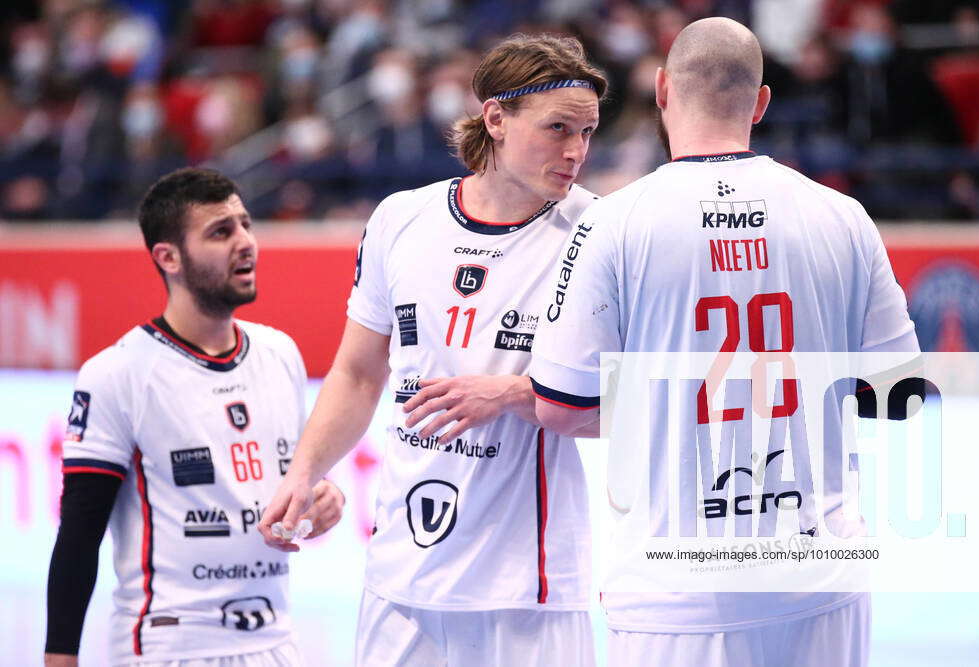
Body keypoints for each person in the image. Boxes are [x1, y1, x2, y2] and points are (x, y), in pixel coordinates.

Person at [529, 17, 919, 667]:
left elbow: (560, 406)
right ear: (761, 102)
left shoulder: (612, 223)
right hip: (819, 578)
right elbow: (901, 394)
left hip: (673, 595)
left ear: (660, 89)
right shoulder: (840, 215)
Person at [259, 34, 606, 666]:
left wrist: (513, 393)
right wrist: (306, 470)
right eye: (559, 128)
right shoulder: (402, 218)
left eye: (587, 133)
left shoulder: (600, 231)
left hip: (527, 590)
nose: (576, 151)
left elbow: (634, 401)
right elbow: (359, 372)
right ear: (496, 118)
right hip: (401, 578)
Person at [44, 168, 346, 667]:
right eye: (221, 232)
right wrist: (59, 657)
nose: (246, 243)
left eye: (245, 224)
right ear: (168, 257)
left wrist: (321, 502)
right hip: (167, 649)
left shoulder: (279, 354)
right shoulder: (118, 373)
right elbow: (79, 534)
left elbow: (295, 482)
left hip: (274, 644)